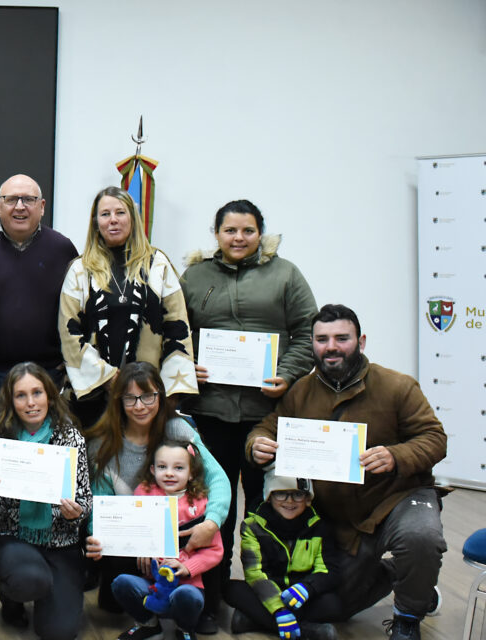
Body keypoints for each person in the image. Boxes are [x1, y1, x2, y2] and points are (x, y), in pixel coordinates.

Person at [248, 304, 447, 640]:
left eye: (342, 338)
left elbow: (435, 438)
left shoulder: (397, 386)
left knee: (420, 537)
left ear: (361, 341)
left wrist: (396, 455)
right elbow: (268, 427)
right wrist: (257, 443)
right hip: (341, 518)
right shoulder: (301, 392)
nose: (332, 347)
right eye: (322, 339)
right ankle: (412, 578)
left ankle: (408, 617)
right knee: (336, 607)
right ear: (312, 343)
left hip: (396, 498)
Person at [180, 198, 318, 624]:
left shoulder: (285, 274)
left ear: (261, 233)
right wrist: (188, 368)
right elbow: (174, 332)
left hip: (267, 416)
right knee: (213, 507)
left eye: (247, 230)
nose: (238, 238)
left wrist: (289, 373)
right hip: (210, 413)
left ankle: (273, 597)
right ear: (216, 234)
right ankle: (212, 591)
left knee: (272, 506)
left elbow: (308, 330)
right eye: (230, 231)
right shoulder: (195, 275)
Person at [0, 173, 78, 578]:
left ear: (42, 206)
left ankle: (39, 541)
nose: (20, 207)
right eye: (11, 199)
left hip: (47, 375)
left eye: (29, 199)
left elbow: (75, 309)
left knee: (44, 456)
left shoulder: (63, 247)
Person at [84, 361, 230, 615]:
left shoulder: (178, 429)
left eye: (148, 396)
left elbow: (218, 479)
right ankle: (152, 604)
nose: (140, 406)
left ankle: (198, 605)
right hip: (132, 535)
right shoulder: (103, 444)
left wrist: (211, 523)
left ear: (161, 396)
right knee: (113, 605)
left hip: (182, 530)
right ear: (118, 401)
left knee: (210, 521)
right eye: (130, 398)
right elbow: (99, 503)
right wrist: (96, 534)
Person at [59, 186, 196, 428]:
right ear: (95, 222)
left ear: (133, 218)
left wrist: (168, 395)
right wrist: (109, 379)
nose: (113, 220)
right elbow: (69, 333)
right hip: (93, 396)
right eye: (105, 214)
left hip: (147, 396)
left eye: (120, 213)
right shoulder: (80, 269)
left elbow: (178, 327)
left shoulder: (158, 265)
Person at [0, 362, 91, 640]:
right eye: (21, 395)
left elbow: (85, 501)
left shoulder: (71, 437)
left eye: (37, 393)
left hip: (61, 542)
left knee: (59, 633)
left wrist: (75, 513)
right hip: (10, 538)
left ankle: (47, 594)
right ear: (10, 401)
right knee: (30, 580)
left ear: (50, 395)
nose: (30, 403)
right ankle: (10, 594)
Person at [98, 439, 223, 640]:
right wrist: (142, 548)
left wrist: (189, 567)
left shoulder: (201, 504)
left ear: (191, 473)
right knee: (121, 583)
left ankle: (184, 629)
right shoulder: (143, 495)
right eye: (162, 467)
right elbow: (132, 531)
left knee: (187, 597)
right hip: (152, 586)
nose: (170, 473)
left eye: (179, 468)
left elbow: (215, 550)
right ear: (152, 469)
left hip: (187, 584)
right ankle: (148, 625)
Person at [225, 470, 342, 640]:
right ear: (269, 496)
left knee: (333, 605)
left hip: (300, 593)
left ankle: (252, 621)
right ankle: (308, 631)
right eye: (280, 494)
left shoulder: (320, 527)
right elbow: (255, 573)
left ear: (308, 499)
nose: (289, 501)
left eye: (298, 494)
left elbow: (329, 569)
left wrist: (307, 588)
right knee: (231, 589)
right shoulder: (253, 526)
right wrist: (279, 609)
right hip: (268, 590)